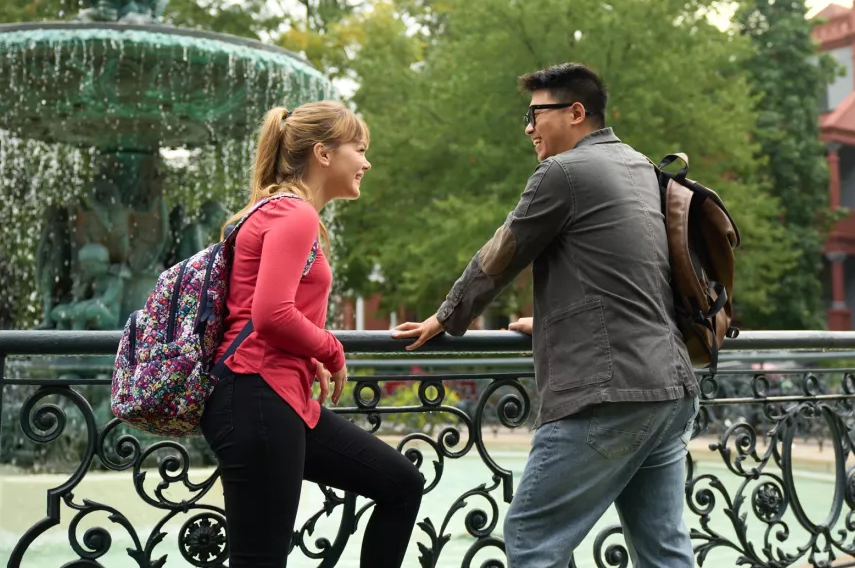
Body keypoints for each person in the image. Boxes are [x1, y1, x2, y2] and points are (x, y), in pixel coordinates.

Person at [393, 63, 700, 567]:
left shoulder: (563, 172)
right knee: (664, 550)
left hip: (609, 390)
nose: (529, 127)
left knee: (534, 536)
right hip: (671, 389)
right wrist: (560, 318)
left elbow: (502, 253)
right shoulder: (642, 167)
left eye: (536, 114)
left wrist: (445, 318)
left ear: (576, 113)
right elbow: (636, 276)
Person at [202, 101, 424, 568]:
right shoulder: (294, 213)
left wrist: (309, 353)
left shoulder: (275, 210)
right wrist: (331, 348)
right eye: (358, 149)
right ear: (323, 154)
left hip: (276, 398)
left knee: (401, 484)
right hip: (257, 394)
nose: (366, 162)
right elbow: (270, 314)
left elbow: (269, 312)